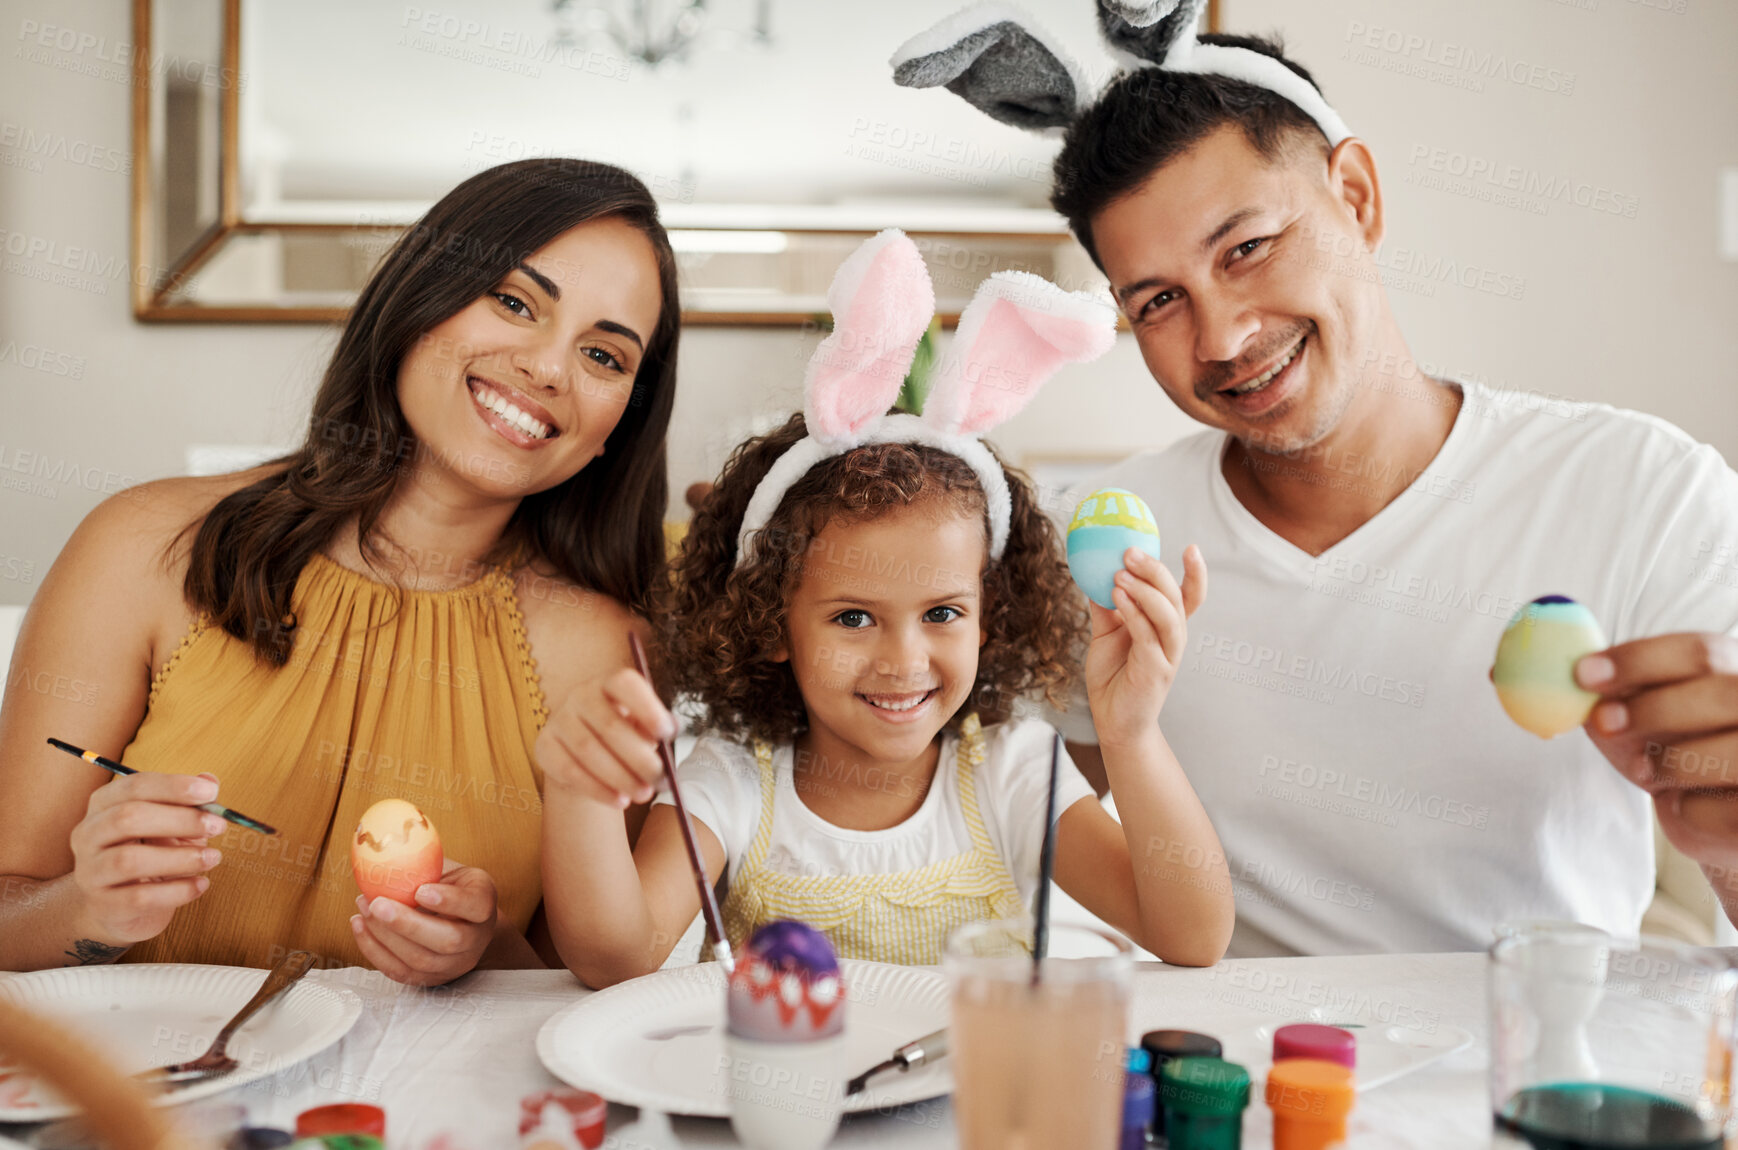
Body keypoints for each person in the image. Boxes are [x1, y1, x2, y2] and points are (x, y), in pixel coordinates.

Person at [898, 2, 1738, 955]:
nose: (1221, 338)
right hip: (1227, 1084)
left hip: (1534, 1077)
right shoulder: (1102, 543)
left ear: (1358, 196)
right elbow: (984, 820)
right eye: (1160, 301)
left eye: (1247, 249)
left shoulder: (1645, 492)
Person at [0, 158, 680, 983]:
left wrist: (478, 945)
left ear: (618, 425)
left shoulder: (610, 652)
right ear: (418, 302)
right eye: (513, 302)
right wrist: (87, 911)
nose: (548, 368)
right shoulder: (141, 545)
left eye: (605, 357)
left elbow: (573, 988)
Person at [536, 233, 1233, 983]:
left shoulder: (1013, 773)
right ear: (773, 624)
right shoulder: (735, 781)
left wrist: (1129, 732)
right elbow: (615, 956)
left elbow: (1190, 934)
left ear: (989, 614)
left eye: (941, 614)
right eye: (854, 618)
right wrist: (581, 796)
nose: (904, 662)